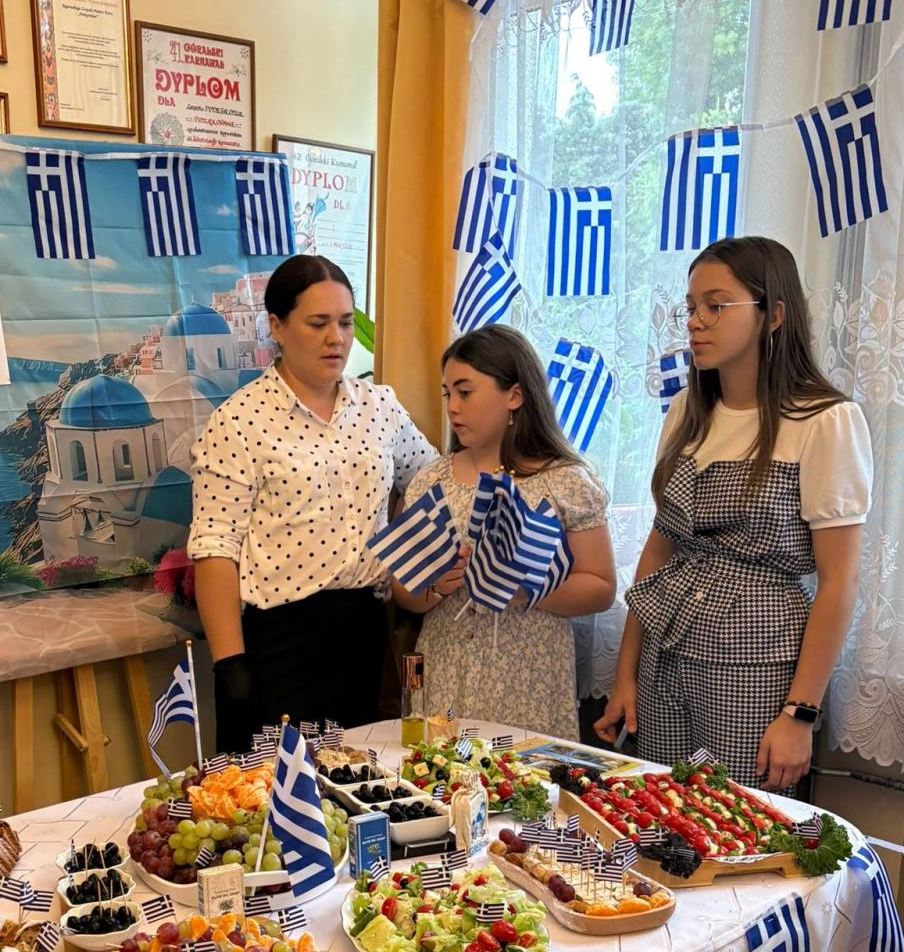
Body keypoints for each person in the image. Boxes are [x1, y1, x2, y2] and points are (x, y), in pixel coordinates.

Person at [595, 236, 871, 788]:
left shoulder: (823, 421)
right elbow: (658, 551)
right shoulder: (687, 412)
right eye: (691, 307)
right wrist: (626, 674)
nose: (695, 322)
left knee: (742, 821)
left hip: (754, 664)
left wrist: (800, 713)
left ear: (774, 315)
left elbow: (840, 580)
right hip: (666, 656)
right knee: (665, 814)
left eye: (716, 306)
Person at [188, 254, 437, 754]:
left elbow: (433, 482)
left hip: (366, 634)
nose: (336, 339)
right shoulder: (238, 421)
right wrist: (229, 666)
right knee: (279, 793)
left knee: (366, 782)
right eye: (318, 323)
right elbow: (215, 546)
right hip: (280, 643)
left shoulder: (379, 406)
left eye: (344, 323)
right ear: (277, 327)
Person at [393, 324, 616, 737]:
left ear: (515, 395)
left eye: (465, 392)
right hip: (447, 667)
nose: (453, 407)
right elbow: (403, 592)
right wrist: (438, 586)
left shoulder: (564, 481)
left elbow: (601, 587)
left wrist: (522, 588)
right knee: (444, 772)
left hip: (529, 676)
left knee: (521, 775)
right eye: (447, 394)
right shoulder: (431, 481)